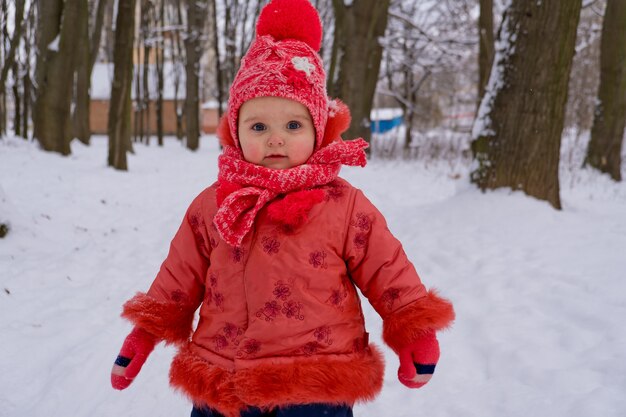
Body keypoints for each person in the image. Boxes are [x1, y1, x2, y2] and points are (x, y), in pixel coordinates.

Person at [110, 1, 455, 416]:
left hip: (315, 384)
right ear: (235, 133)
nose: (276, 139)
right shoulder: (213, 204)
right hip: (224, 380)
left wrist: (415, 331)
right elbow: (177, 276)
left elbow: (387, 269)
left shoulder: (344, 206)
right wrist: (144, 335)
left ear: (317, 130)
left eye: (293, 125)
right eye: (259, 126)